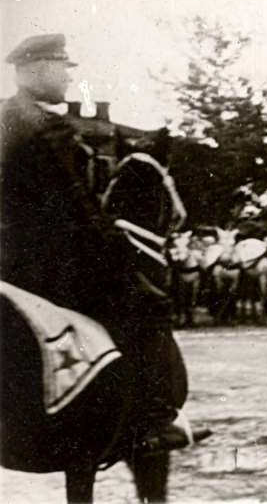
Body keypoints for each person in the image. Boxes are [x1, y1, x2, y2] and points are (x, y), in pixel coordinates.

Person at [0, 33, 210, 454]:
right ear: (36, 69)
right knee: (146, 303)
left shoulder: (6, 118)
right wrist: (115, 242)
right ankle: (152, 420)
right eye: (62, 68)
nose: (67, 79)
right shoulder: (45, 127)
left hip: (8, 261)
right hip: (48, 263)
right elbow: (76, 202)